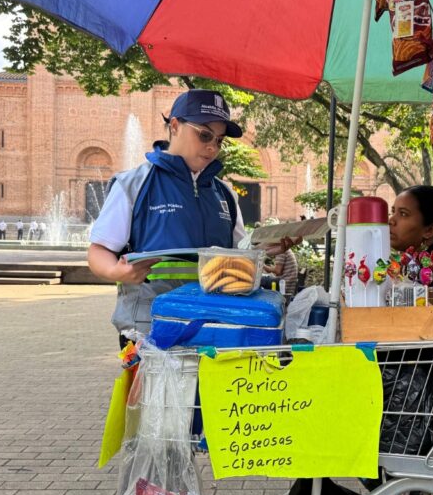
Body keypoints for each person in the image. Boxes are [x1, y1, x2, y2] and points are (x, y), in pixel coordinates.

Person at [88, 89, 297, 345]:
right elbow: (98, 250)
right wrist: (116, 271)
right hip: (152, 330)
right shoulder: (133, 184)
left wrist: (263, 250)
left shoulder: (225, 194)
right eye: (204, 135)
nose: (212, 147)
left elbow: (236, 254)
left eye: (219, 140)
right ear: (175, 126)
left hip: (214, 327)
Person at [388, 185, 433, 280]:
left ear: (430, 230)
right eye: (393, 212)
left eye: (403, 214)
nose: (391, 221)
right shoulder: (415, 262)